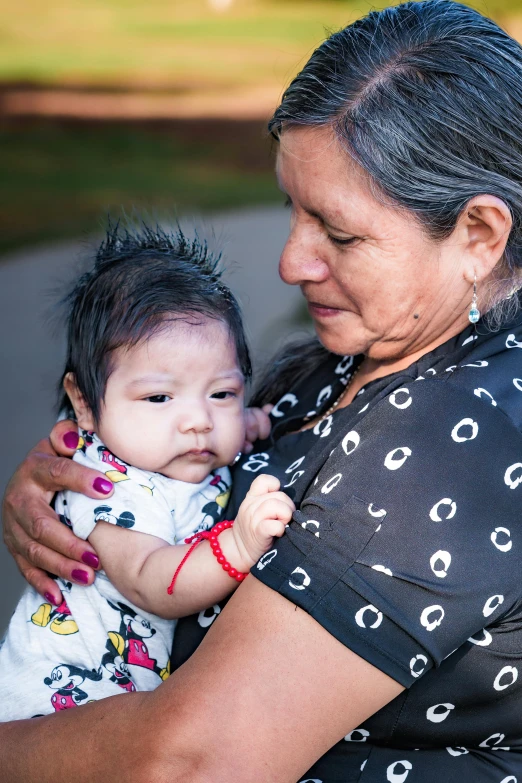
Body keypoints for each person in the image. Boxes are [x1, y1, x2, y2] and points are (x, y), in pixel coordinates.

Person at [3, 0, 522, 779]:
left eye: (338, 232)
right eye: (292, 208)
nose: (290, 263)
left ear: (478, 236)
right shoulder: (346, 358)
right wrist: (72, 487)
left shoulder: (461, 444)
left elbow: (190, 756)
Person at [0, 222, 288, 720]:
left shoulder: (189, 441)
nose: (199, 420)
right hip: (58, 700)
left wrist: (250, 419)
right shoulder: (109, 486)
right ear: (85, 405)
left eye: (222, 392)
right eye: (158, 397)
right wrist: (237, 547)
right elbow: (151, 581)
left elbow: (235, 422)